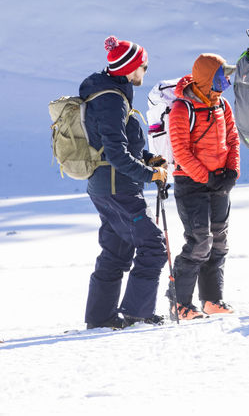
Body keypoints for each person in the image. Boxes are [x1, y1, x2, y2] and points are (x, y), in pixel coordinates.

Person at [81, 36, 169, 329]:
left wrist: (149, 159)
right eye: (144, 65)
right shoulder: (112, 100)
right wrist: (149, 175)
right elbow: (116, 154)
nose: (145, 70)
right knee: (154, 246)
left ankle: (101, 318)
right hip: (118, 187)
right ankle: (138, 314)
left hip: (106, 185)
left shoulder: (107, 94)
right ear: (131, 68)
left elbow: (116, 146)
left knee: (116, 251)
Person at [166, 53, 240, 319]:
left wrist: (232, 171)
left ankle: (212, 300)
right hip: (191, 184)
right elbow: (181, 152)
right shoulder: (181, 108)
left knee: (219, 241)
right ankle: (179, 304)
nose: (225, 85)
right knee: (199, 241)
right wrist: (206, 177)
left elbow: (232, 139)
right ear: (207, 79)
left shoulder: (222, 105)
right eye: (221, 79)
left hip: (219, 181)